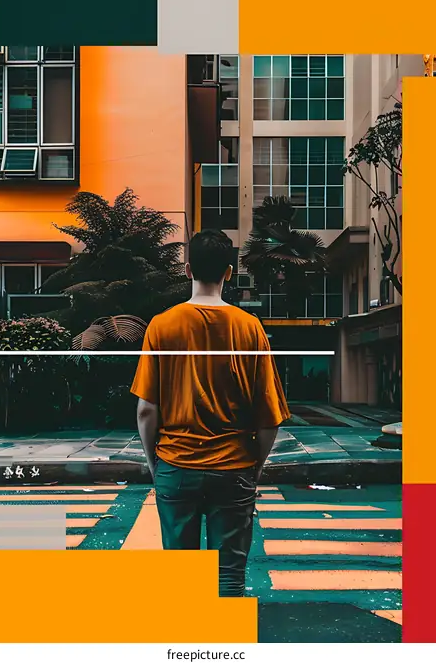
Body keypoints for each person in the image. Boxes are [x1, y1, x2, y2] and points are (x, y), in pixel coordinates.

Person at [130, 228, 290, 597]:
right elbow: (269, 418)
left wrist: (157, 465)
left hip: (177, 464)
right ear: (229, 272)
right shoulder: (250, 328)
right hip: (234, 467)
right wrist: (255, 467)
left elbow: (146, 411)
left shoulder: (162, 325)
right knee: (229, 577)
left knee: (182, 579)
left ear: (187, 270)